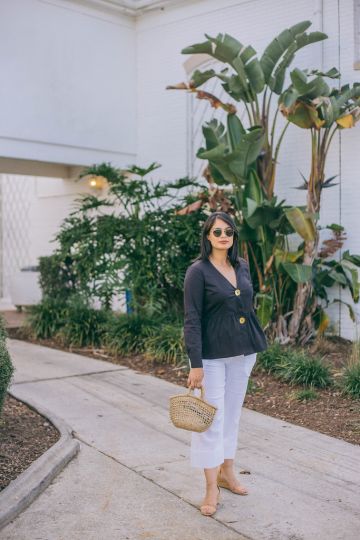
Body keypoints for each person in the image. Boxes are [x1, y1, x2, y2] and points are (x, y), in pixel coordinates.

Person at [183, 211, 268, 516]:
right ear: (208, 236)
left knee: (232, 415)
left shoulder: (241, 265)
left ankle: (227, 471)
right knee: (211, 421)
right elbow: (192, 319)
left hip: (243, 352)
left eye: (228, 232)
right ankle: (210, 488)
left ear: (234, 237)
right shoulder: (198, 272)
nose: (223, 237)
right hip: (212, 357)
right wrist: (195, 363)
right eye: (217, 232)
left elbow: (245, 303)